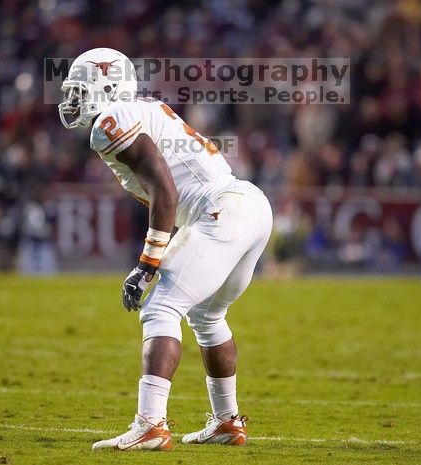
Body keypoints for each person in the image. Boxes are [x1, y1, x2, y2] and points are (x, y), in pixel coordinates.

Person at [59, 48, 273, 451]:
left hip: (219, 210)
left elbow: (166, 193)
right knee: (209, 317)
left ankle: (150, 424)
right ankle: (227, 422)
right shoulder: (137, 110)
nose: (72, 100)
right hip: (247, 205)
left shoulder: (112, 120)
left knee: (160, 309)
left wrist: (145, 265)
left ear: (107, 87)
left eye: (80, 90)